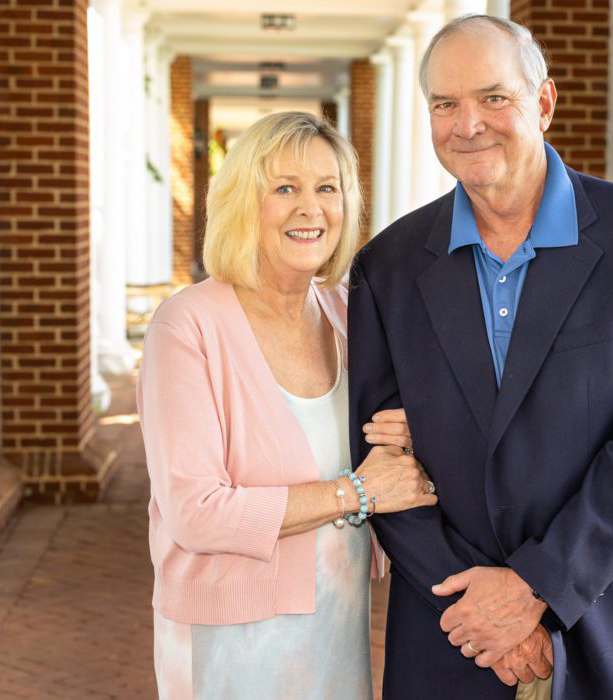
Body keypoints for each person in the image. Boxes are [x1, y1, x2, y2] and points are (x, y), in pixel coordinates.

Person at [348, 15, 613, 699]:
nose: (467, 123)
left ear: (543, 103)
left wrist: (536, 588)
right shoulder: (385, 269)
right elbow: (381, 464)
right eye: (445, 104)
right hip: (451, 624)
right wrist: (480, 611)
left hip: (603, 612)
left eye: (493, 97)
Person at [137, 111, 437, 699]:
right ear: (244, 203)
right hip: (231, 643)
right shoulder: (187, 326)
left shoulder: (347, 315)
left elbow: (388, 450)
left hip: (336, 630)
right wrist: (356, 493)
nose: (310, 208)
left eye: (328, 188)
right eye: (284, 189)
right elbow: (195, 511)